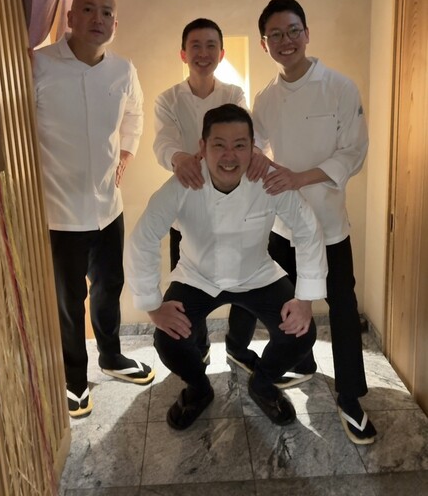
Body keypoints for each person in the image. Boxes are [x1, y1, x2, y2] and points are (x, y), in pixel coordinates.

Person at [126, 104, 327, 430]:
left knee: (301, 333)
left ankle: (263, 384)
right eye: (219, 145)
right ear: (202, 147)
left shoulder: (267, 181)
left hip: (256, 274)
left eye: (239, 145)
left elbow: (307, 229)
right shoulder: (184, 183)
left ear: (253, 148)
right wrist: (153, 306)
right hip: (197, 275)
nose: (229, 156)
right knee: (168, 338)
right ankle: (198, 388)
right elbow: (143, 237)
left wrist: (304, 300)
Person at [253, 0, 376, 445]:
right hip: (284, 226)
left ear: (307, 33)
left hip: (328, 224)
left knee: (341, 307)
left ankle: (350, 397)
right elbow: (253, 145)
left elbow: (354, 152)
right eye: (275, 35)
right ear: (265, 44)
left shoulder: (339, 87)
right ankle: (300, 363)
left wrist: (297, 177)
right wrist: (268, 173)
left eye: (293, 31)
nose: (285, 41)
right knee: (286, 306)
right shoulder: (266, 97)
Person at [34, 0, 154, 419]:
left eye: (106, 12)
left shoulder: (123, 70)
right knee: (69, 301)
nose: (97, 19)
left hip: (107, 207)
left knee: (109, 286)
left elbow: (135, 115)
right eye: (88, 9)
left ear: (114, 24)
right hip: (59, 210)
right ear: (70, 18)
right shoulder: (38, 65)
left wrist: (126, 154)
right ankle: (74, 379)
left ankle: (112, 356)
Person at [153, 18, 269, 372]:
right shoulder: (168, 99)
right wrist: (180, 159)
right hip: (189, 209)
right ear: (183, 54)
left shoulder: (234, 94)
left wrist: (252, 156)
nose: (203, 53)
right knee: (190, 286)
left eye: (210, 46)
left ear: (221, 53)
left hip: (236, 205)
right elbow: (164, 142)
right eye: (196, 46)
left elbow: (249, 136)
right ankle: (199, 348)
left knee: (247, 281)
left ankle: (237, 346)